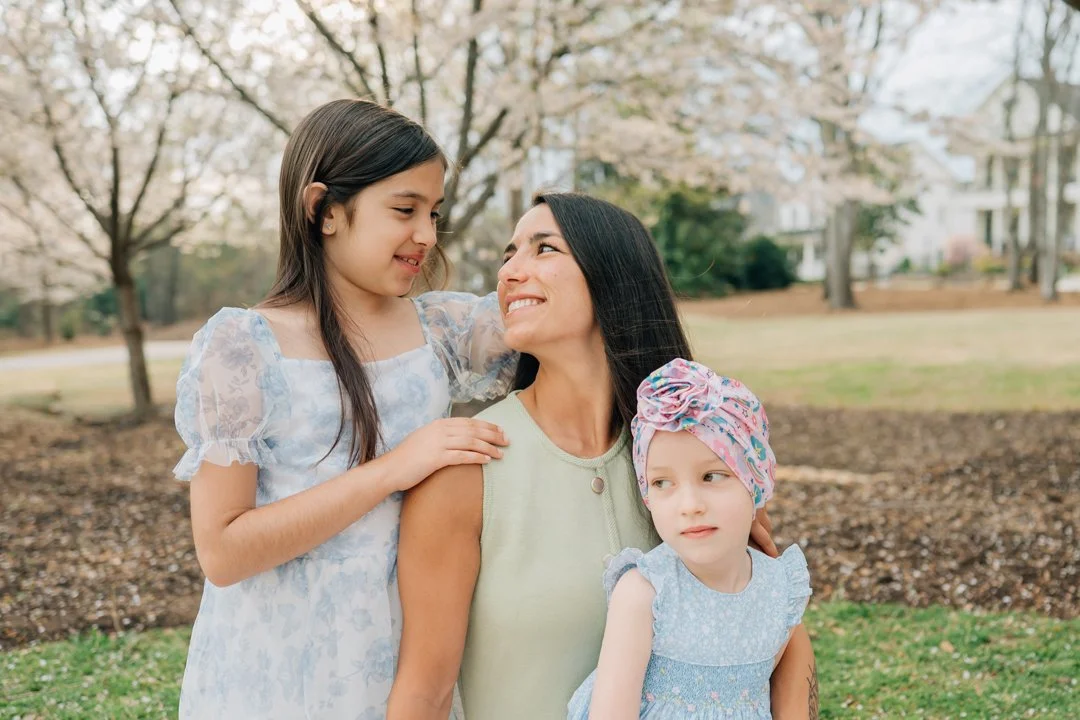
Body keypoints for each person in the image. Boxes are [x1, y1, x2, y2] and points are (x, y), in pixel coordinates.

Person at [388, 193, 817, 720]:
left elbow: (778, 627)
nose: (510, 272)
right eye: (508, 255)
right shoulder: (466, 462)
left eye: (544, 249)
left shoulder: (695, 456)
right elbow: (423, 694)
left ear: (613, 275)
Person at [171, 98, 517, 719]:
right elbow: (223, 552)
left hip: (411, 656)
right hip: (278, 669)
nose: (427, 235)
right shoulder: (243, 348)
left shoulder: (440, 326)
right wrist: (392, 470)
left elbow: (569, 327)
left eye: (434, 213)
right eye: (405, 210)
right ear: (322, 210)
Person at [567, 358, 812, 718]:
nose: (690, 505)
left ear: (756, 481)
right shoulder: (645, 592)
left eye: (711, 476)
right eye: (663, 483)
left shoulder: (779, 589)